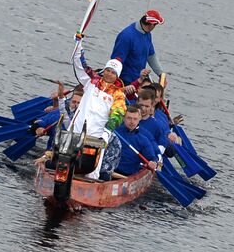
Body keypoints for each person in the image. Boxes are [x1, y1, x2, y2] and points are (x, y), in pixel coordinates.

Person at [69, 36, 126, 179]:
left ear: (117, 76)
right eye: (107, 70)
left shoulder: (118, 94)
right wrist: (78, 44)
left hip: (97, 135)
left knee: (92, 167)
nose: (109, 74)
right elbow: (80, 65)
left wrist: (107, 130)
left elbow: (118, 113)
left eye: (113, 72)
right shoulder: (92, 81)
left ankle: (88, 186)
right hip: (77, 128)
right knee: (67, 159)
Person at [110, 10, 166, 93]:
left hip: (138, 81)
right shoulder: (126, 36)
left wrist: (161, 74)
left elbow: (151, 56)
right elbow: (116, 62)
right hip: (124, 82)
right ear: (151, 25)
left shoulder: (147, 34)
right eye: (156, 25)